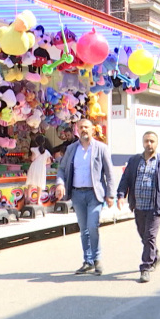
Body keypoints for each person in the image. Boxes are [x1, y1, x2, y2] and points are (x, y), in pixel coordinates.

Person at [53, 118, 115, 275]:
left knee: (93, 226)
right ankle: (87, 261)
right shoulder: (72, 149)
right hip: (77, 194)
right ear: (77, 130)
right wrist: (60, 184)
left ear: (92, 129)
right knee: (83, 229)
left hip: (94, 194)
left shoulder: (101, 148)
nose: (83, 130)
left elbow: (109, 173)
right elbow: (61, 169)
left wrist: (111, 194)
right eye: (81, 127)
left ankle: (97, 259)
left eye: (86, 127)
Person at [116, 131, 160, 282]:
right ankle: (154, 255)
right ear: (143, 143)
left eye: (152, 141)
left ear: (157, 143)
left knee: (150, 235)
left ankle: (145, 267)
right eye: (146, 141)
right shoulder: (135, 160)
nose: (149, 144)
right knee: (144, 235)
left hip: (155, 207)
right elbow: (125, 179)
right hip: (138, 206)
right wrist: (120, 195)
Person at [24, 134, 53, 204]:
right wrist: (44, 162)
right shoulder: (46, 152)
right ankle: (38, 200)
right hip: (42, 168)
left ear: (36, 142)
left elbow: (32, 158)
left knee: (30, 182)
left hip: (34, 167)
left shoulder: (34, 150)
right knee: (39, 184)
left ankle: (28, 197)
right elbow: (49, 161)